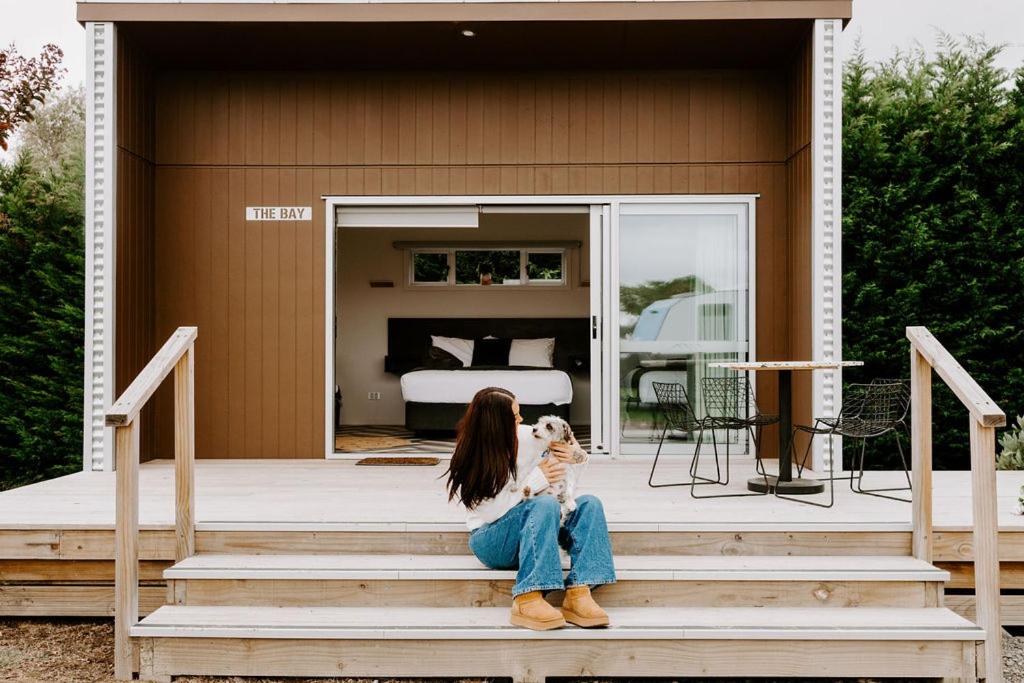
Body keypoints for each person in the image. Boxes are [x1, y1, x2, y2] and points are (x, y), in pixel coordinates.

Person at [445, 387, 616, 630]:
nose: (521, 421)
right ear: (497, 422)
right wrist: (535, 482)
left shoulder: (529, 437)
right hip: (493, 541)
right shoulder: (475, 455)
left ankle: (579, 594)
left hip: (536, 528)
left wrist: (575, 454)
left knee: (590, 504)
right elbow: (492, 512)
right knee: (544, 503)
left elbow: (570, 459)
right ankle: (528, 597)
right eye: (515, 417)